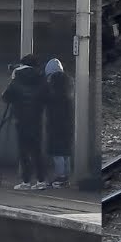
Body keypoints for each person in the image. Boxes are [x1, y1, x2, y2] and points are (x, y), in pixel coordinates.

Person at [2, 54, 48, 190]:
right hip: (37, 120)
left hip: (21, 120)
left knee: (23, 152)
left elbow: (5, 97)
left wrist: (13, 79)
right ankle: (41, 181)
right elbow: (47, 97)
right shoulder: (41, 78)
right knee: (37, 151)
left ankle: (26, 182)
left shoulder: (18, 78)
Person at [44, 58, 73, 189]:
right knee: (65, 151)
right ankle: (66, 176)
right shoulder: (68, 83)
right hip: (68, 121)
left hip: (55, 121)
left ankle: (60, 176)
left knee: (57, 151)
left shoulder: (52, 86)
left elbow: (48, 100)